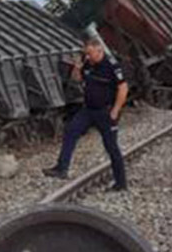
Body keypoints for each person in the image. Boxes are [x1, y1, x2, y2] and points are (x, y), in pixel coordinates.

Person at [45, 37, 129, 190]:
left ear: (99, 50)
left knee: (111, 147)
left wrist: (116, 110)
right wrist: (77, 67)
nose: (88, 57)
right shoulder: (88, 64)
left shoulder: (112, 66)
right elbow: (77, 79)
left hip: (106, 112)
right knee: (71, 131)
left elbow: (123, 89)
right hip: (88, 110)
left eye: (91, 54)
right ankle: (61, 168)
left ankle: (121, 183)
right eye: (87, 54)